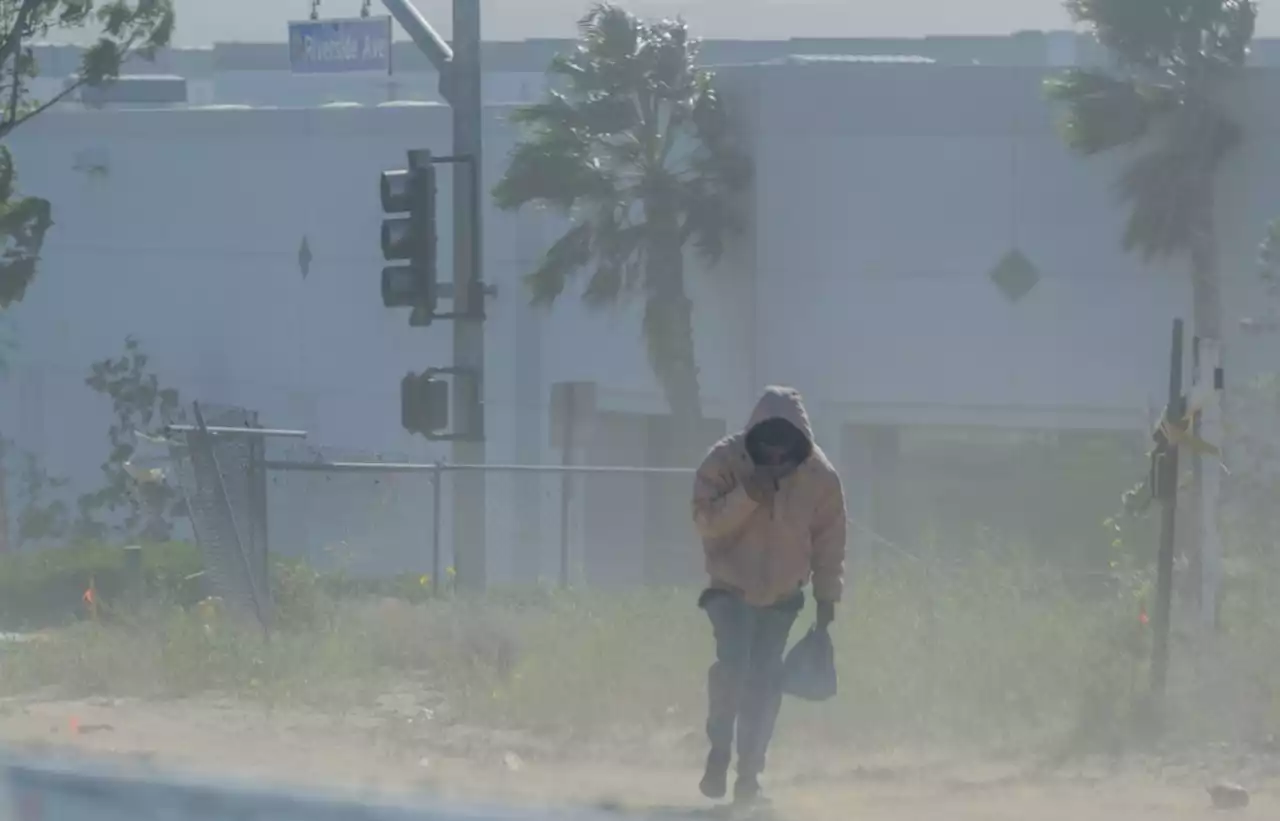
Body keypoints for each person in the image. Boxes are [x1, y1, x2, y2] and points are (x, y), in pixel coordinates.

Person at [690, 385, 847, 805]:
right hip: (728, 588)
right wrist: (747, 496)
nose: (776, 460)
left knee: (764, 683)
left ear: (801, 444)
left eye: (786, 451)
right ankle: (719, 751)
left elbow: (830, 542)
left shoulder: (820, 477)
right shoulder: (723, 462)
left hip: (782, 596)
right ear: (754, 438)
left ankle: (749, 777)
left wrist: (827, 597)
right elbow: (705, 521)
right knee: (733, 664)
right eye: (768, 450)